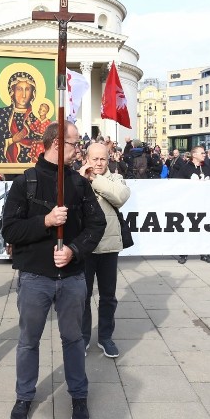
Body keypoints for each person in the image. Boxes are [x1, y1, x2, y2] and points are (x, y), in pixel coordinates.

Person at [2, 121, 106, 419]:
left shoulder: (78, 183)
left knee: (73, 340)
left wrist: (74, 249)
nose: (79, 150)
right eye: (74, 144)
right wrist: (45, 221)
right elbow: (9, 229)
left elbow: (96, 225)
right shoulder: (26, 182)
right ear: (57, 144)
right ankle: (24, 397)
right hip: (35, 277)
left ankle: (78, 395)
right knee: (28, 341)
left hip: (72, 277)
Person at [78, 142, 130, 358]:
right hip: (84, 247)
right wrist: (83, 178)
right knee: (82, 296)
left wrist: (93, 179)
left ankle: (105, 337)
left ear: (108, 160)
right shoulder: (76, 177)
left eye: (103, 159)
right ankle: (82, 338)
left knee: (108, 296)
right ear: (86, 159)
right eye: (94, 159)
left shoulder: (114, 178)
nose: (99, 163)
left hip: (109, 247)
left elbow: (120, 196)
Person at [170, 145, 210, 264]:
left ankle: (205, 253)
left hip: (204, 204)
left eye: (204, 153)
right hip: (189, 205)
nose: (204, 154)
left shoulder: (208, 168)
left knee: (205, 229)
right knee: (187, 228)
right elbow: (179, 185)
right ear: (194, 155)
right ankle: (184, 253)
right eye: (202, 153)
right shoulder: (186, 168)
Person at [0, 71, 42, 163]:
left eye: (28, 89)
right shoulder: (0, 114)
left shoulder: (37, 116)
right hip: (7, 170)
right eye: (19, 89)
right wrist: (12, 140)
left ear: (33, 92)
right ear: (12, 90)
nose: (24, 95)